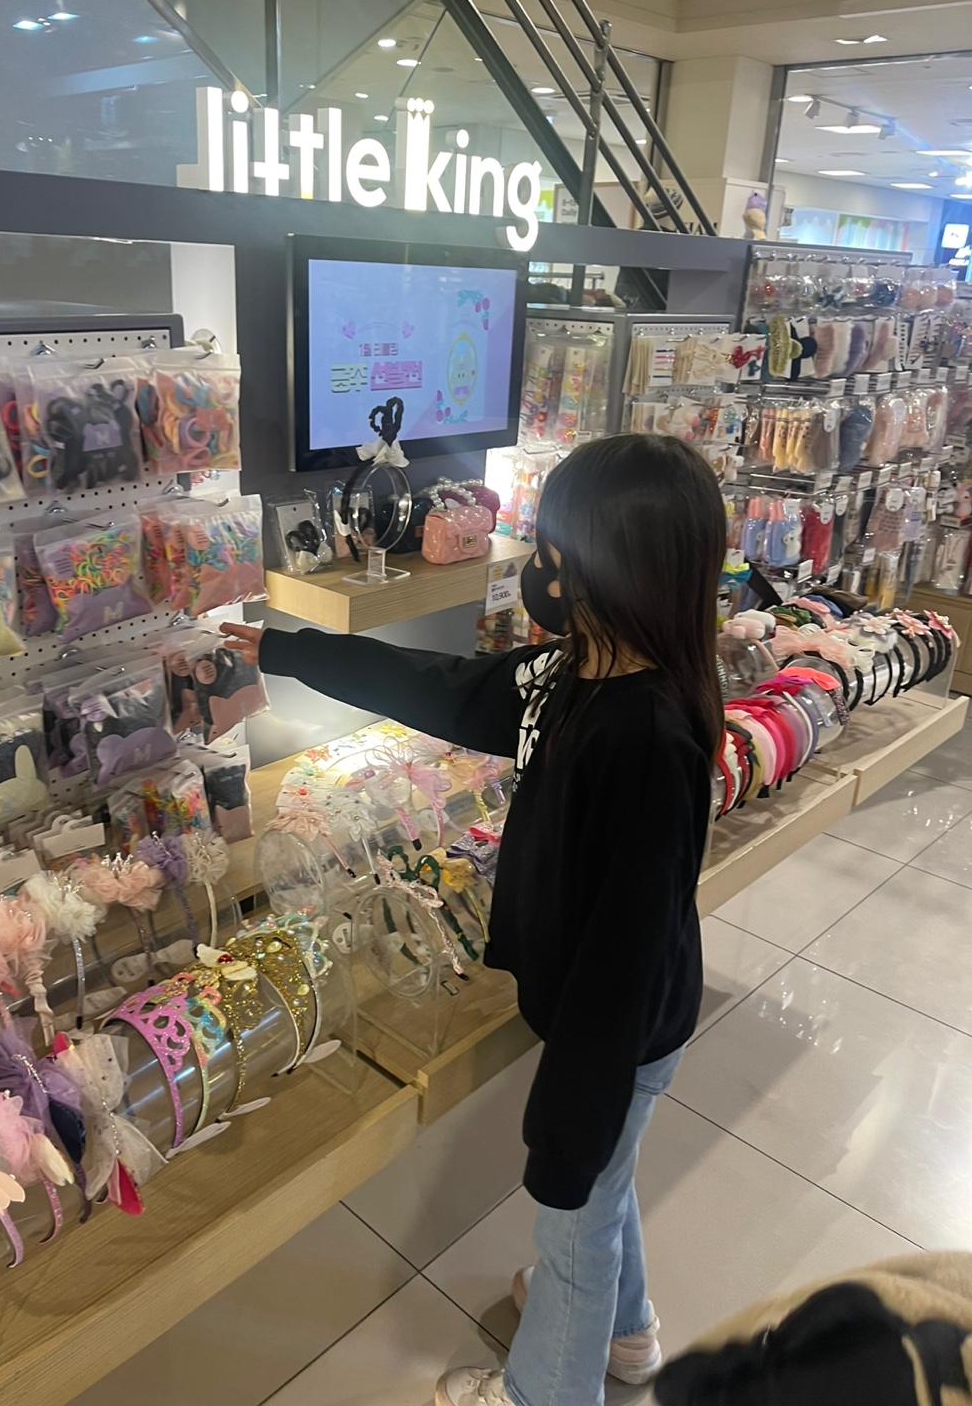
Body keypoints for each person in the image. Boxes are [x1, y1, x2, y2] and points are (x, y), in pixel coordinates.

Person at [221, 433, 726, 1406]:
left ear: (609, 567)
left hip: (616, 1034)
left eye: (554, 545)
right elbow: (442, 689)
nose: (539, 561)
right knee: (603, 1193)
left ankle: (545, 1388)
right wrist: (288, 650)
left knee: (574, 1221)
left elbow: (621, 960)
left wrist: (567, 1126)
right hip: (598, 1016)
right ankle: (627, 1334)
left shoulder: (646, 737)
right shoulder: (571, 677)